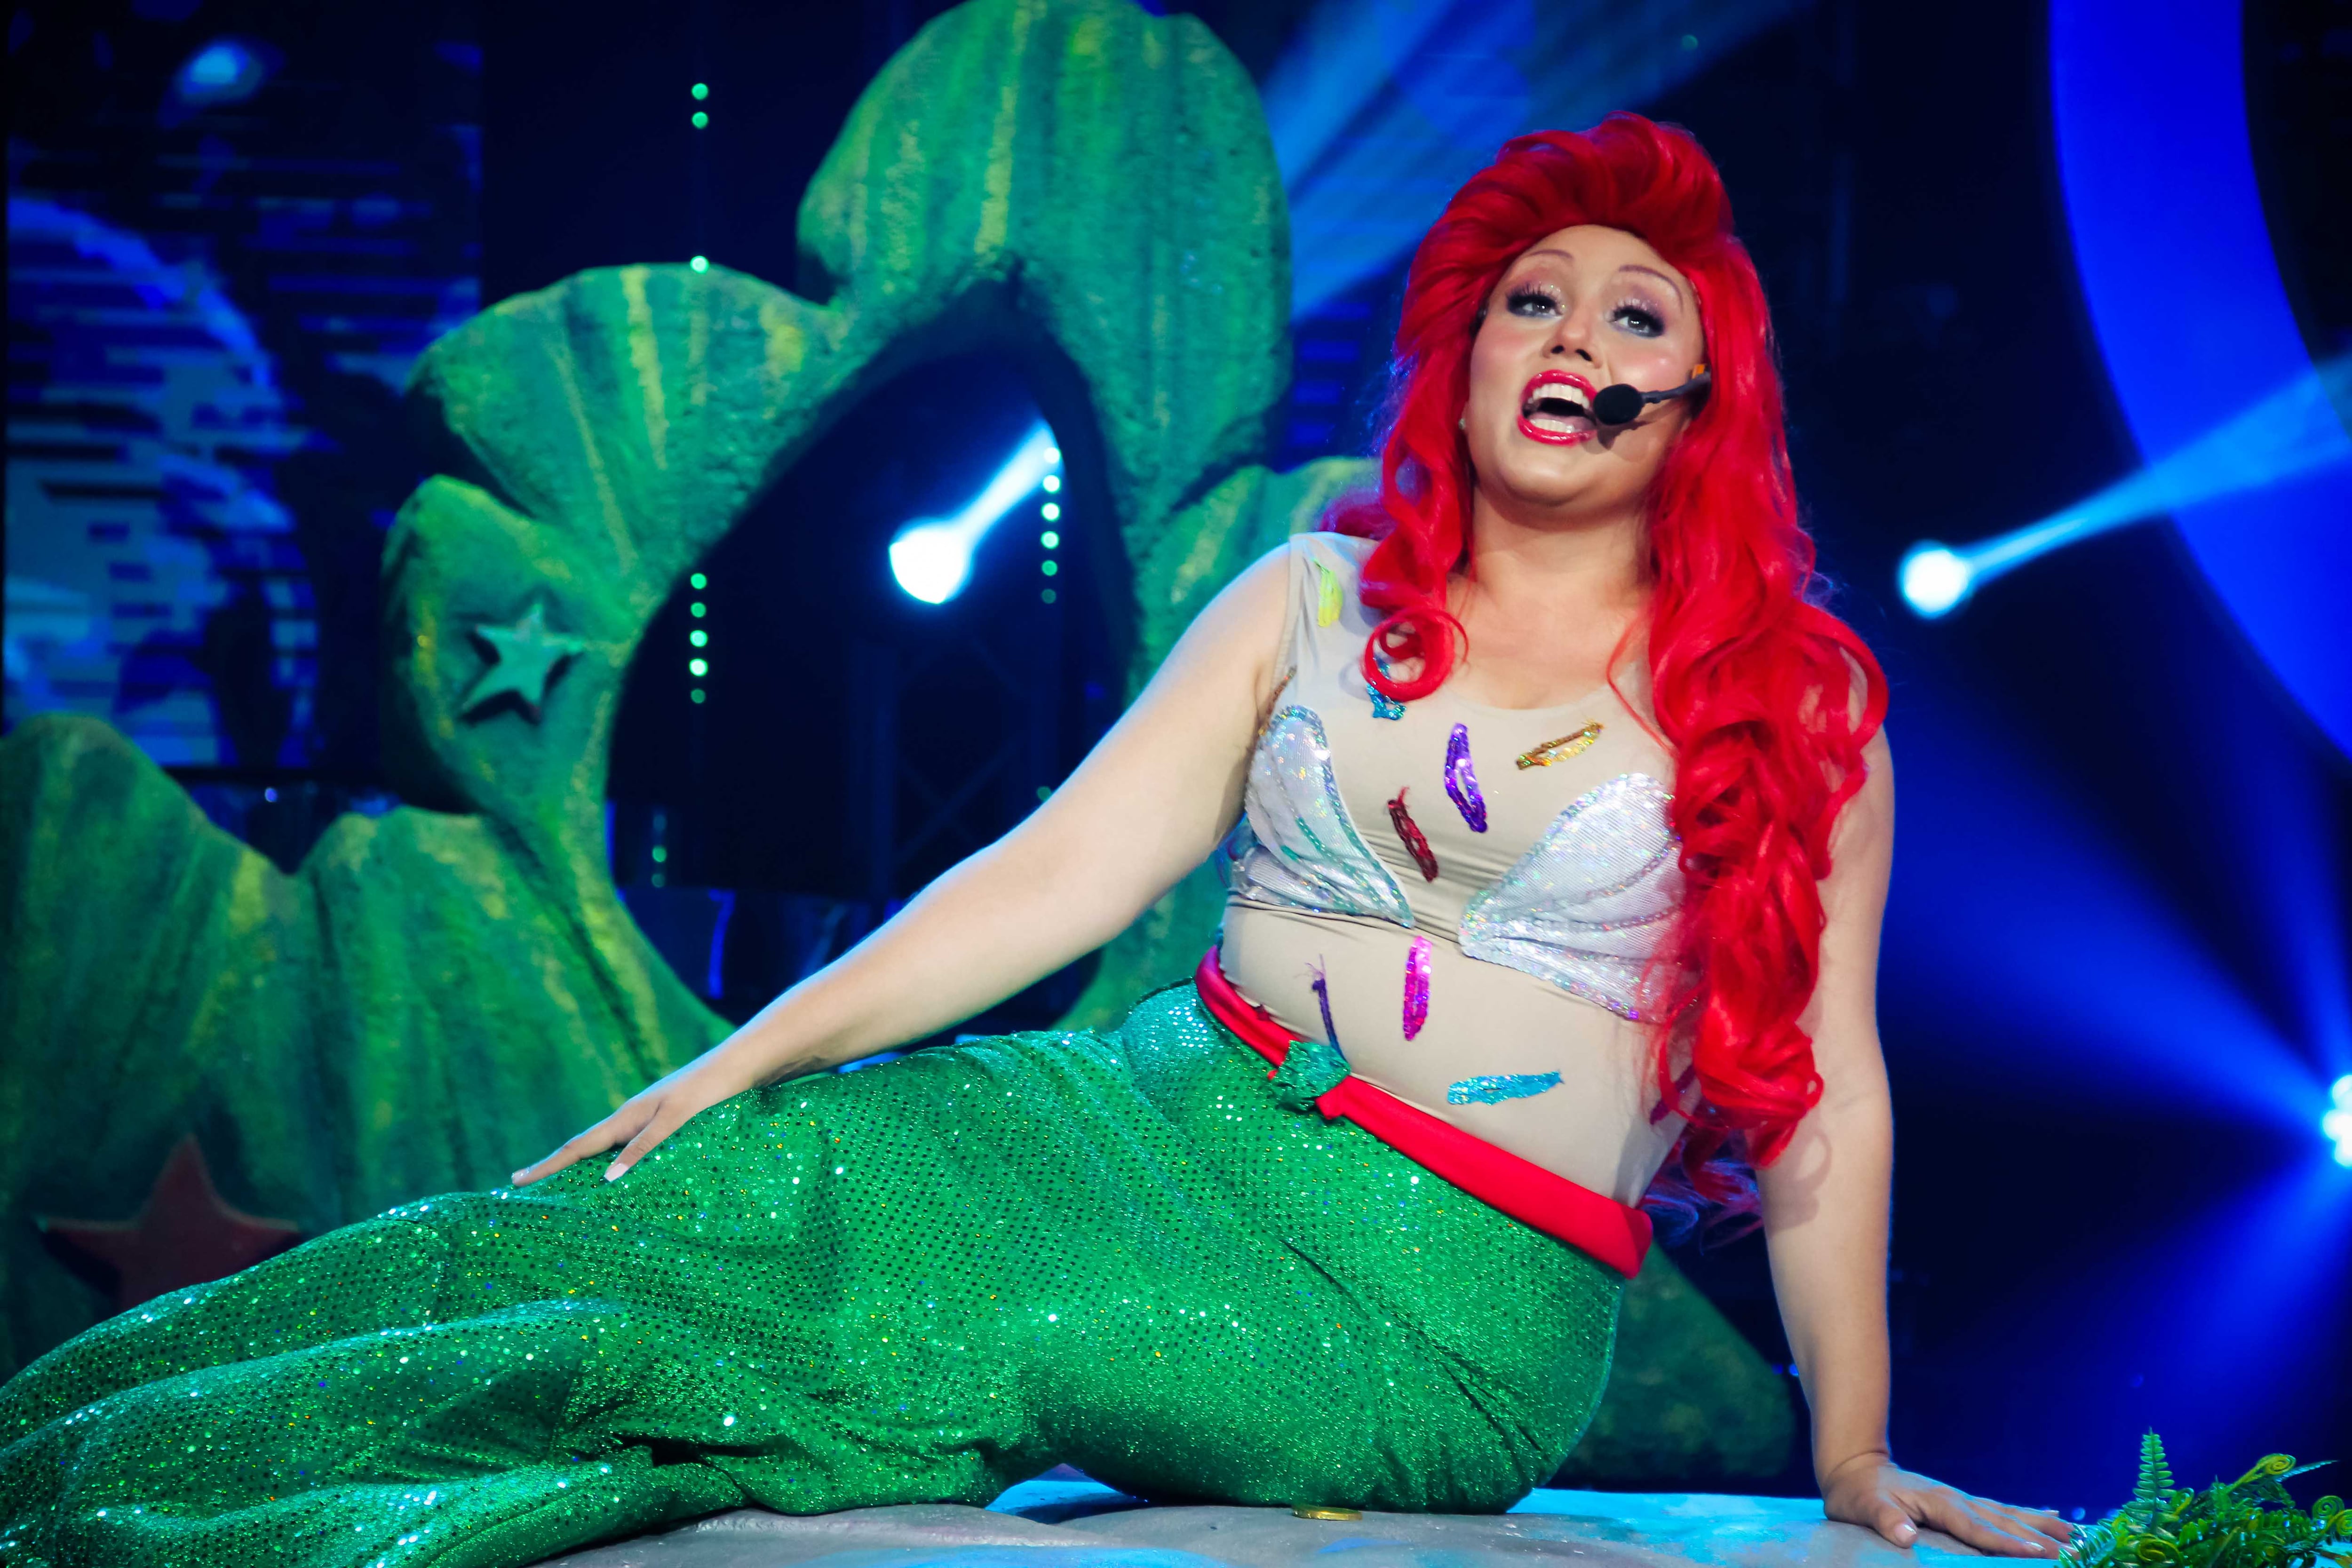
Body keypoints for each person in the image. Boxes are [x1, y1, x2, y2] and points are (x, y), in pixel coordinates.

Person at [0, 114, 2075, 1568]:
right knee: (718, 1191)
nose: (1574, 344)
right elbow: (1061, 871)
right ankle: (74, 1478)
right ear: (1461, 364)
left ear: (1702, 395)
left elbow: (1829, 1093)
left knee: (935, 1329)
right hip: (1157, 1108)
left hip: (1437, 1304)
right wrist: (745, 1057)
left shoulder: (1789, 700)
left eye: (1634, 319)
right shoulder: (1308, 598)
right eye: (1533, 303)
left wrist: (1852, 1451)